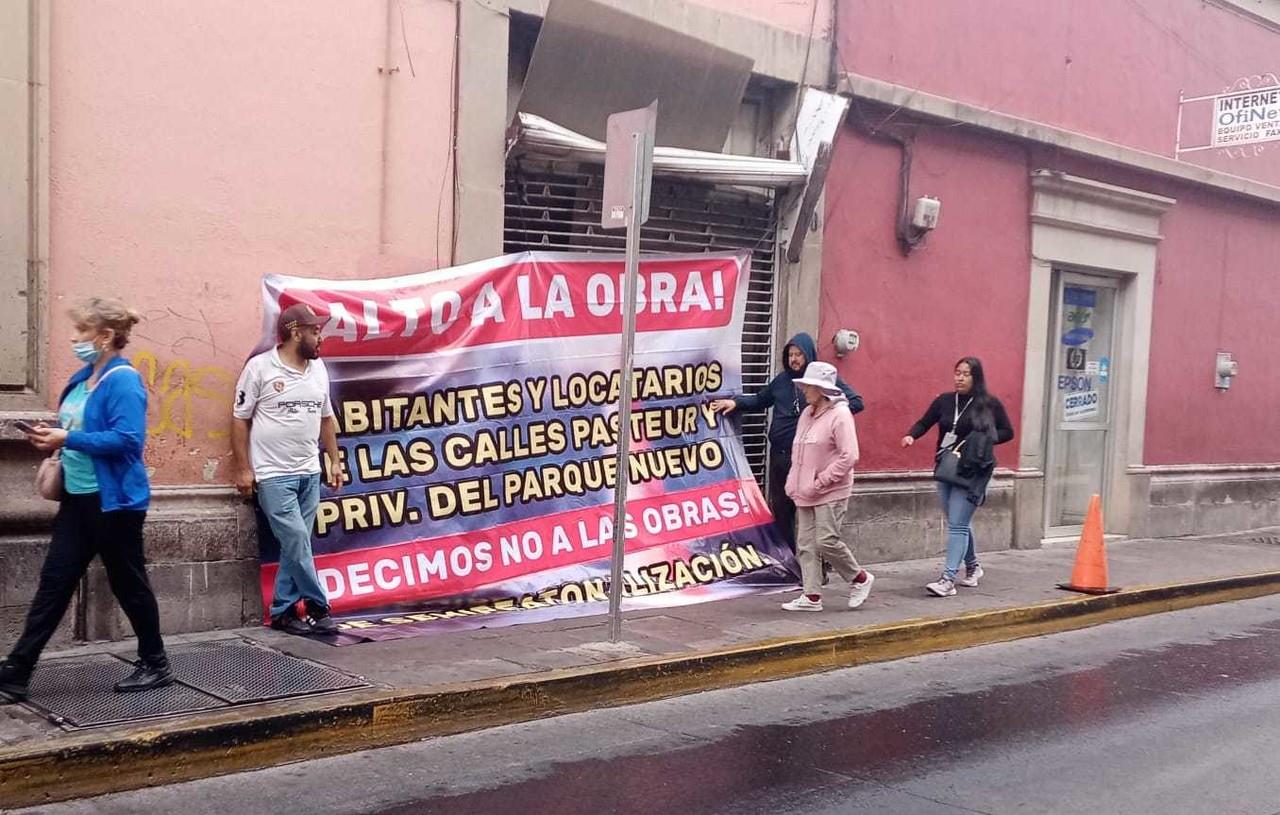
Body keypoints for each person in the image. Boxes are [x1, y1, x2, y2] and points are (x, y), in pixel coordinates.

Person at [0, 298, 172, 703]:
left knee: (129, 584)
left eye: (81, 331)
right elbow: (76, 427)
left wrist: (69, 438)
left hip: (115, 504)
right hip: (77, 500)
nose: (74, 338)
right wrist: (52, 433)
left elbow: (129, 441)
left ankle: (156, 662)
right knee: (54, 583)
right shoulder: (82, 379)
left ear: (105, 336)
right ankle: (17, 671)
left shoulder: (123, 380)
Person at [232, 303, 344, 636]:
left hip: (309, 471)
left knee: (294, 544)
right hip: (273, 474)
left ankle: (282, 610)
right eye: (314, 331)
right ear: (295, 332)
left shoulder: (318, 369)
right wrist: (243, 469)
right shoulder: (260, 368)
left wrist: (334, 460)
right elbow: (240, 418)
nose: (319, 337)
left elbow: (326, 417)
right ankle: (317, 604)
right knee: (296, 538)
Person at [710, 333, 863, 551]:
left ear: (808, 354)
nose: (794, 359)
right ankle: (791, 559)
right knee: (782, 510)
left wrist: (827, 415)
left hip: (808, 460)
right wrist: (734, 402)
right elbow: (760, 400)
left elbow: (856, 402)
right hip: (780, 457)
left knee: (814, 514)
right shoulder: (782, 381)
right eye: (790, 354)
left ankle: (822, 563)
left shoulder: (824, 381)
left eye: (798, 354)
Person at [901, 356, 1014, 597]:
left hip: (972, 470)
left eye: (966, 374)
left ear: (976, 377)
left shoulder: (988, 403)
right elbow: (925, 422)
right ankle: (973, 567)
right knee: (957, 522)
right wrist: (911, 435)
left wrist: (984, 439)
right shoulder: (944, 401)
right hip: (946, 467)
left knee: (957, 525)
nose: (960, 378)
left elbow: (1008, 432)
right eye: (957, 373)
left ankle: (948, 579)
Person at [780, 362, 874, 612]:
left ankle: (860, 578)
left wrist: (821, 481)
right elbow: (797, 452)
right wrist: (793, 482)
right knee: (806, 544)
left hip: (830, 491)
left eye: (808, 386)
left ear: (822, 389)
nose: (804, 391)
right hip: (805, 491)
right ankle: (811, 596)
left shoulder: (840, 415)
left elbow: (849, 455)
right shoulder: (806, 415)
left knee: (825, 541)